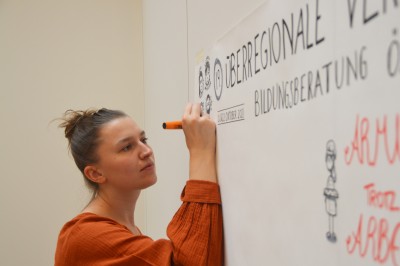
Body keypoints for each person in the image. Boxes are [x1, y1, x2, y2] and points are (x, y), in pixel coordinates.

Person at [54, 103, 224, 266]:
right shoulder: (85, 236)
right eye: (127, 147)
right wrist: (200, 152)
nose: (146, 151)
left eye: (144, 139)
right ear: (95, 173)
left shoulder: (125, 229)